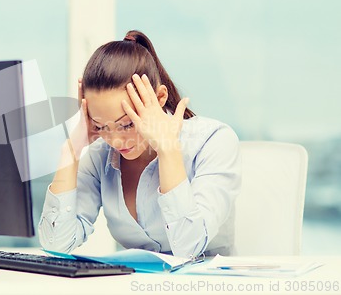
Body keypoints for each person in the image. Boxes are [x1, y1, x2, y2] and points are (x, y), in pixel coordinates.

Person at [38, 30, 241, 258]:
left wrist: (168, 150)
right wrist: (71, 151)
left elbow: (188, 247)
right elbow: (56, 245)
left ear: (160, 98)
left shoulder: (213, 141)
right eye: (101, 125)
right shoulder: (100, 157)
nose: (115, 141)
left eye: (126, 125)